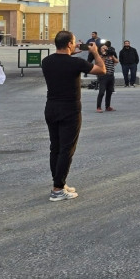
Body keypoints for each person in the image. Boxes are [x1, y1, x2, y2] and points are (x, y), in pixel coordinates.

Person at [40, 31, 106, 201]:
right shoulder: (76, 63)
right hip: (70, 110)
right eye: (74, 43)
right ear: (70, 44)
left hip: (51, 108)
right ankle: (57, 189)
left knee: (55, 147)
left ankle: (59, 182)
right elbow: (101, 70)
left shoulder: (46, 61)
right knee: (66, 150)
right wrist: (95, 52)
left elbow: (61, 62)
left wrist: (70, 53)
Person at [96, 43, 118, 112]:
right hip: (103, 76)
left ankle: (107, 106)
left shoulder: (110, 55)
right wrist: (103, 55)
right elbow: (100, 64)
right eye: (103, 48)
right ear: (100, 49)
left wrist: (112, 55)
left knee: (109, 92)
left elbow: (117, 61)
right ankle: (98, 107)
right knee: (102, 92)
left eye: (106, 48)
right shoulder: (99, 56)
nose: (105, 49)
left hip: (111, 76)